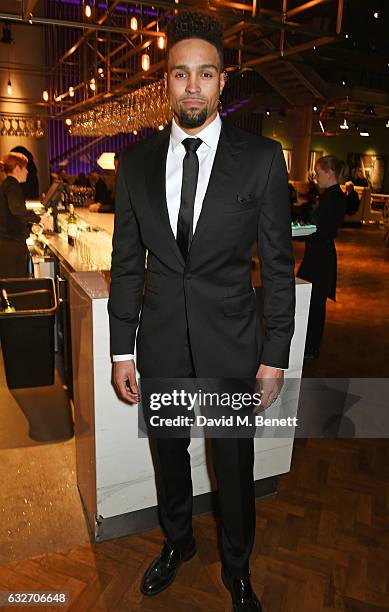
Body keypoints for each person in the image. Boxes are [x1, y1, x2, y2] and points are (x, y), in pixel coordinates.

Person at [108, 11, 295, 612]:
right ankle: (179, 542)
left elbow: (278, 267)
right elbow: (128, 265)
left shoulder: (263, 160)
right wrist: (121, 350)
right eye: (180, 74)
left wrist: (273, 356)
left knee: (232, 467)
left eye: (205, 74)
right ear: (165, 82)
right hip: (159, 345)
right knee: (168, 458)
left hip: (232, 346)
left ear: (223, 81)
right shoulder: (134, 165)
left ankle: (238, 569)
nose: (192, 86)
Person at [297, 156, 347, 360]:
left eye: (318, 174)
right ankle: (309, 346)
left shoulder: (334, 197)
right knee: (312, 301)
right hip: (319, 254)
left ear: (329, 172)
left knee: (314, 303)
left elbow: (323, 231)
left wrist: (299, 232)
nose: (316, 178)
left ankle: (310, 348)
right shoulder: (331, 196)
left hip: (320, 256)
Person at [0, 152, 41, 277]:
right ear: (17, 168)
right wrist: (38, 219)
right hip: (11, 244)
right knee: (14, 286)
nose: (27, 172)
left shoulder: (7, 184)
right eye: (25, 168)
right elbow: (17, 210)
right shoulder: (13, 186)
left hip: (6, 242)